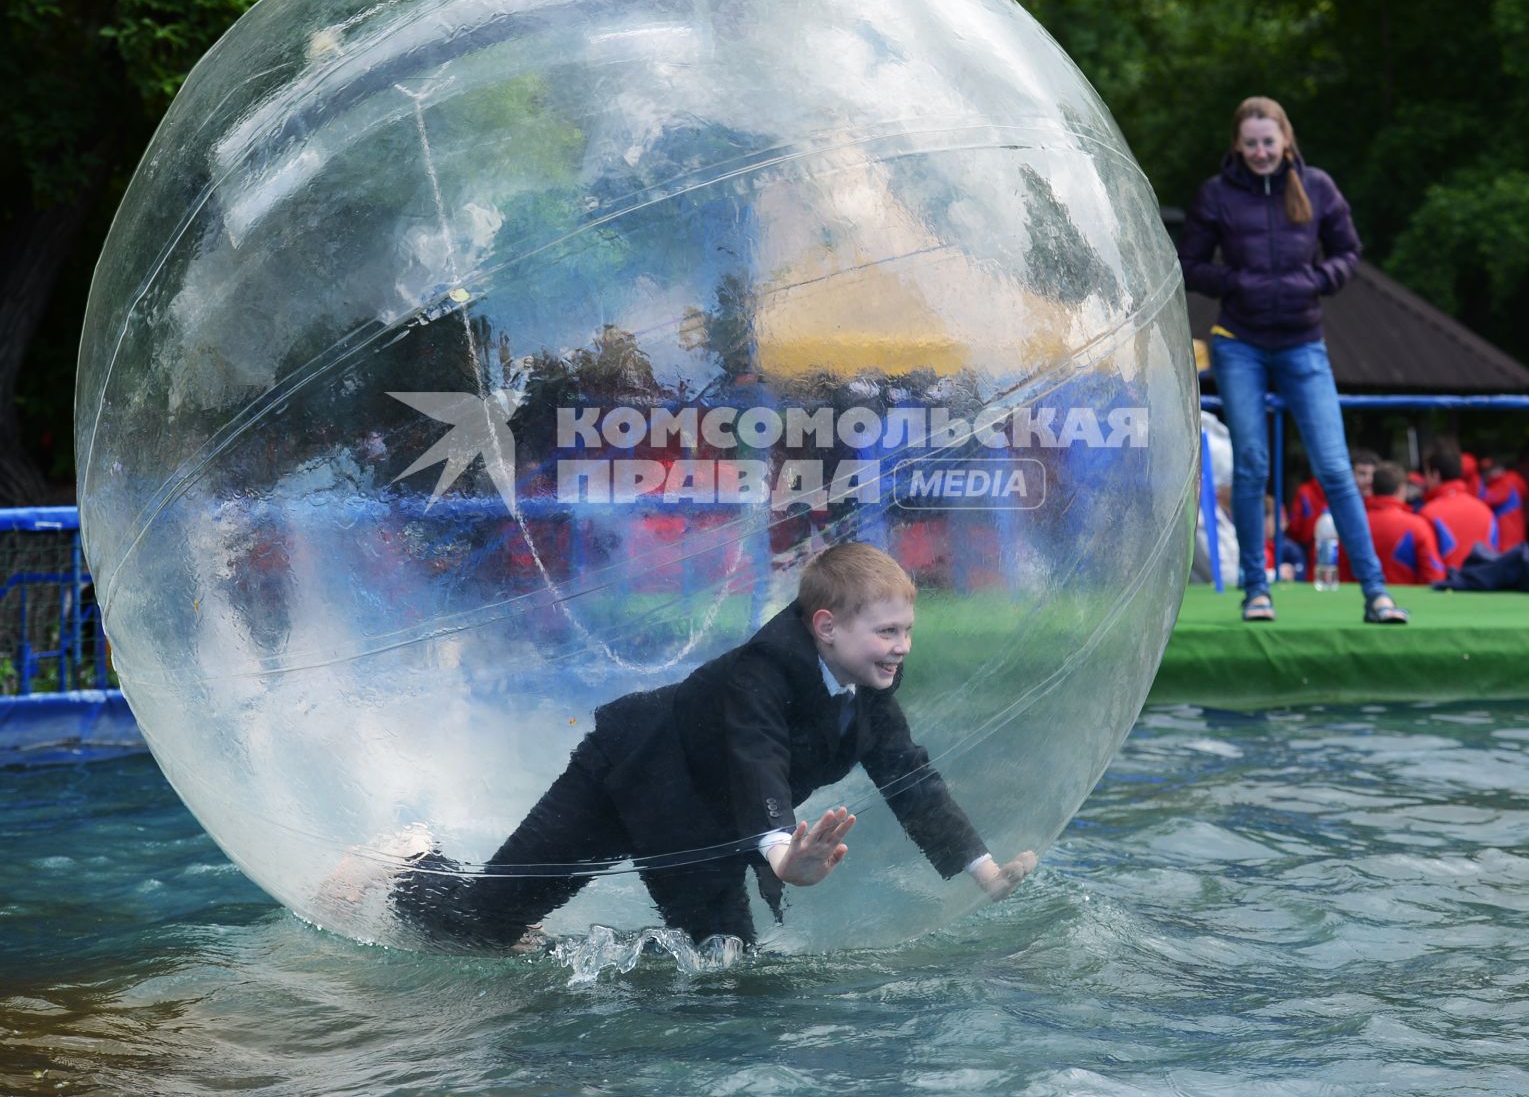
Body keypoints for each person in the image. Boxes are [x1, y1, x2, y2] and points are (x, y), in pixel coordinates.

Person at [381, 543, 1036, 951]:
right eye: (888, 631)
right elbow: (758, 762)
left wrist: (985, 872)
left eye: (907, 630)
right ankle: (406, 863)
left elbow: (908, 777)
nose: (903, 646)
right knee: (476, 931)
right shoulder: (760, 673)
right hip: (624, 774)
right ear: (827, 628)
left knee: (726, 974)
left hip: (696, 828)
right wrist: (781, 856)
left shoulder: (866, 692)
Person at [1177, 96, 1408, 624]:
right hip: (1238, 342)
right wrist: (1237, 281)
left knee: (1333, 465)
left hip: (1304, 343)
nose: (1261, 151)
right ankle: (1257, 591)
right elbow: (1189, 262)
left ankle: (1377, 594)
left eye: (1269, 142)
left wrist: (1315, 281)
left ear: (1286, 141)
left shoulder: (1318, 187)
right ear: (1238, 144)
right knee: (1252, 463)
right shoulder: (1217, 194)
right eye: (1251, 143)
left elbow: (1349, 252)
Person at [1337, 461, 1445, 586]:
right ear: (1401, 489)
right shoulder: (1417, 526)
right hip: (1408, 602)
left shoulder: (1352, 526)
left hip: (1364, 600)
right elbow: (1435, 576)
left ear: (1373, 488)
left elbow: (1343, 577)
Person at [1419, 439, 1499, 569]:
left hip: (1446, 586)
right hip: (1482, 586)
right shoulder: (1485, 510)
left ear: (1436, 474)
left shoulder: (1427, 513)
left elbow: (1431, 567)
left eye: (1426, 473)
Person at [1481, 454, 1527, 552]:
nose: (1486, 475)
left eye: (1487, 471)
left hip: (1506, 536)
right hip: (1515, 533)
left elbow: (1486, 500)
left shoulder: (1504, 483)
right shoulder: (1514, 480)